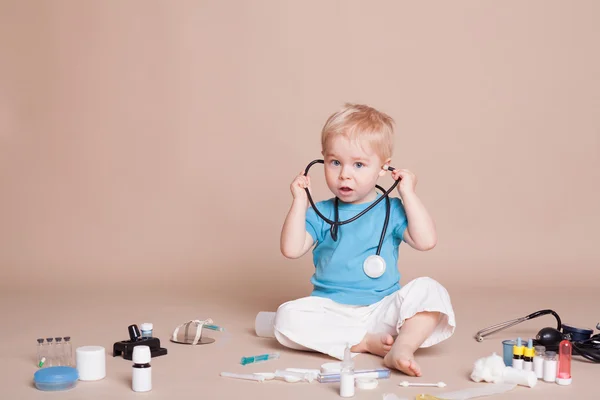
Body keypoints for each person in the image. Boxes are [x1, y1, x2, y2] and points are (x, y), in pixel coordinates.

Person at [276, 103, 456, 376]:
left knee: (432, 291)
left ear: (384, 168)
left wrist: (408, 194)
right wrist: (299, 202)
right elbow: (290, 250)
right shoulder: (321, 211)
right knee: (286, 318)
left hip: (382, 310)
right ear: (322, 159)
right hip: (331, 311)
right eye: (335, 162)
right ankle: (362, 343)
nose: (344, 174)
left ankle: (402, 347)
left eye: (359, 164)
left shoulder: (392, 209)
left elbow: (426, 241)